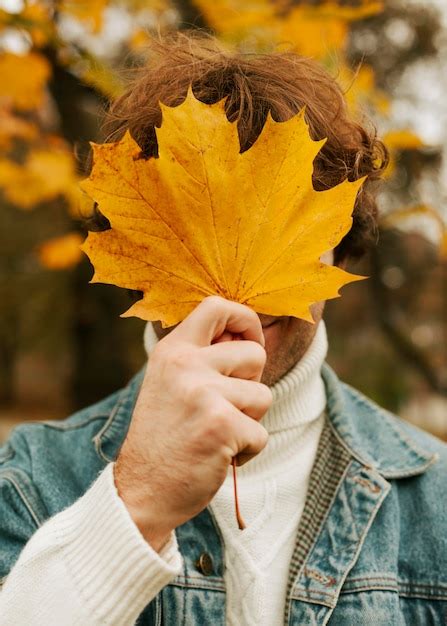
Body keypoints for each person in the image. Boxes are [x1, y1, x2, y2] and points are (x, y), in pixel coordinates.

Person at [0, 34, 446, 626]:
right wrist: (138, 502)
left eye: (287, 233)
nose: (225, 301)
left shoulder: (436, 500)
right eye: (188, 240)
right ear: (134, 257)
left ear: (343, 248)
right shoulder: (30, 477)